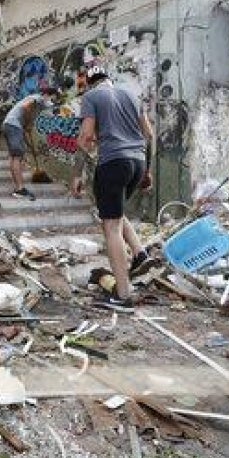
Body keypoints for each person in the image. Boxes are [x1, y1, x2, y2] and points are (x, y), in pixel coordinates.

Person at [76, 69, 154, 304]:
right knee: (115, 213)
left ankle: (123, 294)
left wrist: (77, 172)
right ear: (109, 79)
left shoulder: (91, 98)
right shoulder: (131, 95)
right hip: (137, 162)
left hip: (113, 162)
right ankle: (140, 253)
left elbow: (86, 136)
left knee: (110, 226)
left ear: (90, 84)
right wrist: (148, 170)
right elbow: (148, 134)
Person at [3, 86, 59, 200]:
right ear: (47, 95)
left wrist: (27, 126)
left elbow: (27, 111)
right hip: (14, 125)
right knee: (17, 157)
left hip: (10, 125)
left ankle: (18, 187)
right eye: (52, 99)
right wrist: (28, 122)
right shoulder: (38, 98)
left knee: (15, 156)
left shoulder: (40, 103)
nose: (52, 102)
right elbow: (25, 107)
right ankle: (19, 189)